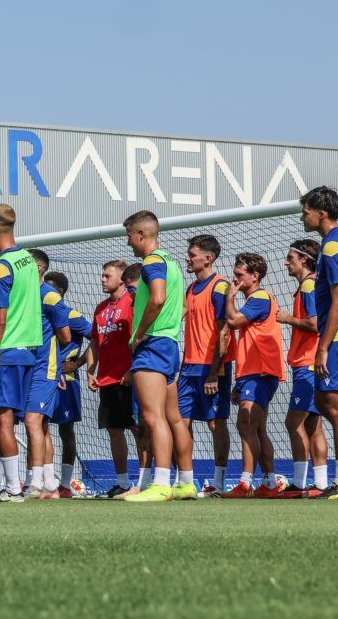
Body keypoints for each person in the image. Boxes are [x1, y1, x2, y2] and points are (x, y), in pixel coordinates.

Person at [121, 210, 193, 502]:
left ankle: (161, 483)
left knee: (153, 417)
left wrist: (140, 333)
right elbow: (183, 306)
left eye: (129, 235)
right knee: (174, 418)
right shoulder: (171, 263)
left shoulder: (152, 262)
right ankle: (186, 483)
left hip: (153, 345)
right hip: (169, 345)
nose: (128, 242)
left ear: (141, 234)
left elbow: (158, 297)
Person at [0, 204, 40, 503]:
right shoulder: (28, 261)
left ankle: (13, 488)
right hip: (28, 352)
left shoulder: (1, 267)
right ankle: (1, 486)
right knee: (8, 423)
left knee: (2, 422)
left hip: (7, 353)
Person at [300, 186, 338, 499]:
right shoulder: (336, 242)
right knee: (322, 401)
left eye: (305, 211)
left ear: (321, 213)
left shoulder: (332, 246)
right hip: (337, 335)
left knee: (336, 405)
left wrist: (322, 347)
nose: (302, 217)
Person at [222, 253, 286, 498]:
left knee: (245, 424)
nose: (235, 280)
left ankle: (245, 483)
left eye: (239, 275)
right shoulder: (254, 299)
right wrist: (239, 382)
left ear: (255, 276)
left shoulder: (259, 297)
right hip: (251, 373)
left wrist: (230, 297)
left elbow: (233, 320)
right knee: (258, 429)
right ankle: (269, 484)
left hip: (261, 372)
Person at [178, 235, 237, 497]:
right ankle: (185, 481)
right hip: (189, 367)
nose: (188, 258)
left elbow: (224, 331)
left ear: (208, 258)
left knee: (216, 423)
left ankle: (219, 482)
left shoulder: (220, 286)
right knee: (181, 421)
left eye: (192, 255)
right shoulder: (191, 288)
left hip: (212, 368)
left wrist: (214, 372)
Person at [87, 260, 146, 498]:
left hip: (128, 378)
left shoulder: (132, 302)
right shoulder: (100, 308)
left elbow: (140, 337)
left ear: (122, 280)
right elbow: (94, 342)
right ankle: (122, 482)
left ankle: (144, 482)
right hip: (107, 379)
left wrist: (132, 369)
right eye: (102, 275)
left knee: (138, 429)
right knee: (114, 430)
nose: (102, 279)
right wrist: (90, 370)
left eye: (107, 276)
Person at [277, 239, 328, 498]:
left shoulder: (309, 284)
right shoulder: (308, 284)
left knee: (293, 421)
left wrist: (288, 318)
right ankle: (320, 484)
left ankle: (299, 483)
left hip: (307, 364)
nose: (286, 262)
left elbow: (315, 324)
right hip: (308, 363)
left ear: (304, 260)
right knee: (313, 426)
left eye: (290, 258)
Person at [21, 250, 71, 500]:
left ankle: (36, 483)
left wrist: (61, 365)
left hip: (45, 368)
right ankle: (49, 484)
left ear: (39, 268)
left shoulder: (50, 296)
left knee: (32, 421)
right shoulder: (22, 293)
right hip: (25, 367)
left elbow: (66, 336)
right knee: (39, 425)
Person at [47, 271, 92, 498]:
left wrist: (78, 364)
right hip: (45, 377)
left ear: (59, 292)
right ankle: (42, 481)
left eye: (49, 287)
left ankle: (65, 485)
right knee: (38, 427)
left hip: (68, 381)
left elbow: (97, 338)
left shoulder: (71, 315)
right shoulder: (40, 312)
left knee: (66, 431)